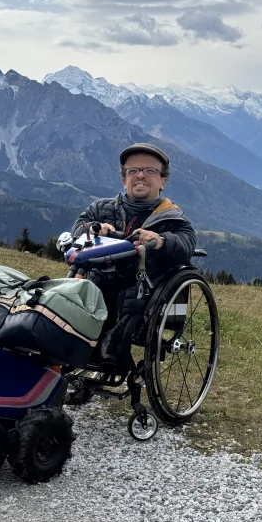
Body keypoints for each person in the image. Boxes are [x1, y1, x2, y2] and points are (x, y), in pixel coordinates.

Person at [71, 143, 196, 371]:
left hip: (145, 286)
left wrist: (161, 240)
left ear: (163, 181)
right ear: (124, 179)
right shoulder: (101, 209)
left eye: (150, 171)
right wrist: (92, 229)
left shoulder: (172, 217)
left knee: (130, 292)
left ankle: (112, 350)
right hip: (99, 277)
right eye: (133, 171)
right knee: (84, 285)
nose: (140, 175)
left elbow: (186, 243)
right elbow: (77, 229)